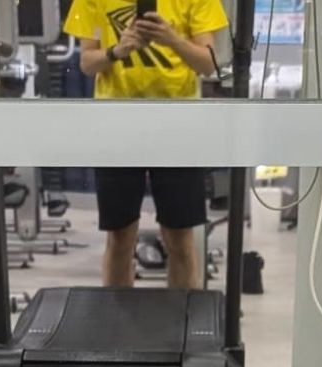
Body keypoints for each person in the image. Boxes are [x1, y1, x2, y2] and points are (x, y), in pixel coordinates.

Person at [63, 0, 229, 290]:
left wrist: (172, 40)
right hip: (117, 124)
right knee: (120, 236)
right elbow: (87, 63)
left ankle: (181, 315)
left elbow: (208, 63)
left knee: (180, 238)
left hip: (177, 124)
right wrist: (117, 51)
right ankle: (117, 316)